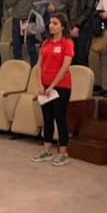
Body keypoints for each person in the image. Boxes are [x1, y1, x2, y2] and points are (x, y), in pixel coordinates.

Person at [31, 13, 75, 167]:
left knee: (60, 118)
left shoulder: (67, 43)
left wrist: (52, 86)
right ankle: (47, 150)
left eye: (55, 23)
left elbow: (65, 67)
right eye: (50, 23)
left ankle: (63, 152)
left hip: (61, 87)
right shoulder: (46, 43)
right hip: (44, 87)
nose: (51, 26)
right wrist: (40, 84)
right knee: (47, 118)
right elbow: (39, 65)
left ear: (62, 26)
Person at [5, 0, 41, 66]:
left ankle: (34, 67)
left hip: (28, 19)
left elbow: (36, 5)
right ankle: (18, 67)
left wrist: (31, 20)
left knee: (30, 46)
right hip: (16, 19)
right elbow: (7, 3)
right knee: (17, 45)